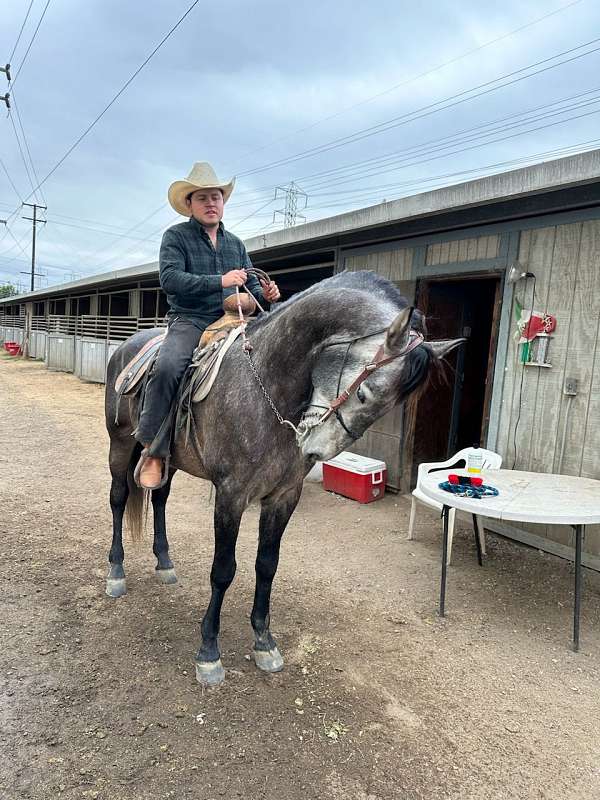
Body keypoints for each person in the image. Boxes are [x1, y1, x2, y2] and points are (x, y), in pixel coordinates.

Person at [134, 162, 280, 489]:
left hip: (233, 319)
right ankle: (152, 448)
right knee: (169, 367)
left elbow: (252, 289)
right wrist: (220, 281)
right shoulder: (176, 237)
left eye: (216, 197)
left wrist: (267, 295)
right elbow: (170, 280)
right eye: (203, 198)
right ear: (190, 204)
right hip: (191, 318)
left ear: (223, 201)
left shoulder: (236, 245)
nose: (211, 203)